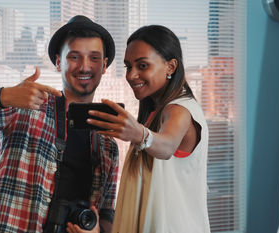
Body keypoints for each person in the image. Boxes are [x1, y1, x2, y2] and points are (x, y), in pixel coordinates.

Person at [0, 15, 119, 233]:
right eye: (74, 57)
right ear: (59, 62)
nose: (84, 66)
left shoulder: (107, 144)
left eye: (94, 58)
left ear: (105, 65)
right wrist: (4, 96)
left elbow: (107, 213)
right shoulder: (26, 104)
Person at [86, 25, 210, 233]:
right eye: (128, 66)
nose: (131, 75)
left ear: (171, 67)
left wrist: (141, 135)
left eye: (142, 65)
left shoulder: (179, 110)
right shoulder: (156, 113)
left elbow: (167, 145)